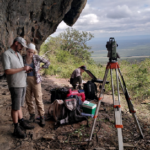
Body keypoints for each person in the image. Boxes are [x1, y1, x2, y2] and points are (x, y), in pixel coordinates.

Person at [2, 37, 35, 139]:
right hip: (15, 84)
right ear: (16, 43)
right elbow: (7, 71)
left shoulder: (19, 55)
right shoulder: (6, 54)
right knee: (15, 107)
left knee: (20, 105)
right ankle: (16, 128)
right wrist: (22, 68)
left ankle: (22, 122)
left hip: (22, 83)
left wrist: (26, 70)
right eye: (21, 46)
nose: (21, 48)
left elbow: (20, 69)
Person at [23, 43, 50, 127]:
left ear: (34, 51)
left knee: (38, 98)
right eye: (28, 51)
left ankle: (42, 117)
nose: (30, 53)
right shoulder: (23, 58)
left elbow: (47, 62)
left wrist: (41, 68)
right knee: (28, 99)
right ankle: (32, 115)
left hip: (36, 80)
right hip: (26, 80)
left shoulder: (36, 57)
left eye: (31, 52)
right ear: (26, 50)